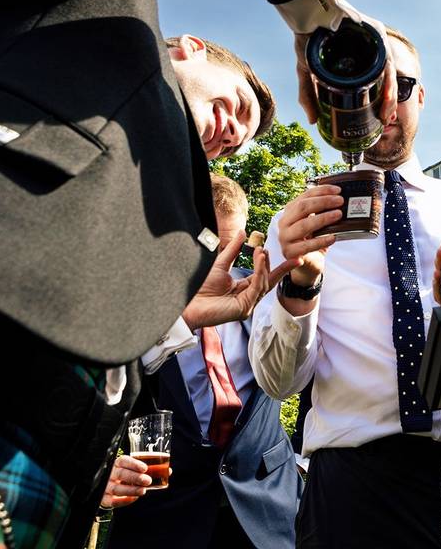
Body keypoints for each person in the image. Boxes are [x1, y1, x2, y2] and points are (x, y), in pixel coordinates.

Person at [0, 0, 395, 546]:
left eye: (234, 148)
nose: (231, 135)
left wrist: (184, 317)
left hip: (39, 464)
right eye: (234, 106)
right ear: (190, 49)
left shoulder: (166, 219)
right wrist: (317, 13)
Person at [249, 28, 441, 549]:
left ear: (423, 96)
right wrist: (301, 282)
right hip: (356, 488)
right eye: (367, 88)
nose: (384, 102)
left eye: (400, 86)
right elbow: (278, 382)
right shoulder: (297, 222)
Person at [105, 175, 301, 549]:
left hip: (268, 518)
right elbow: (95, 395)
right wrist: (100, 473)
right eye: (207, 246)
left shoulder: (268, 295)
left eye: (230, 247)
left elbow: (317, 372)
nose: (218, 263)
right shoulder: (132, 306)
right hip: (161, 518)